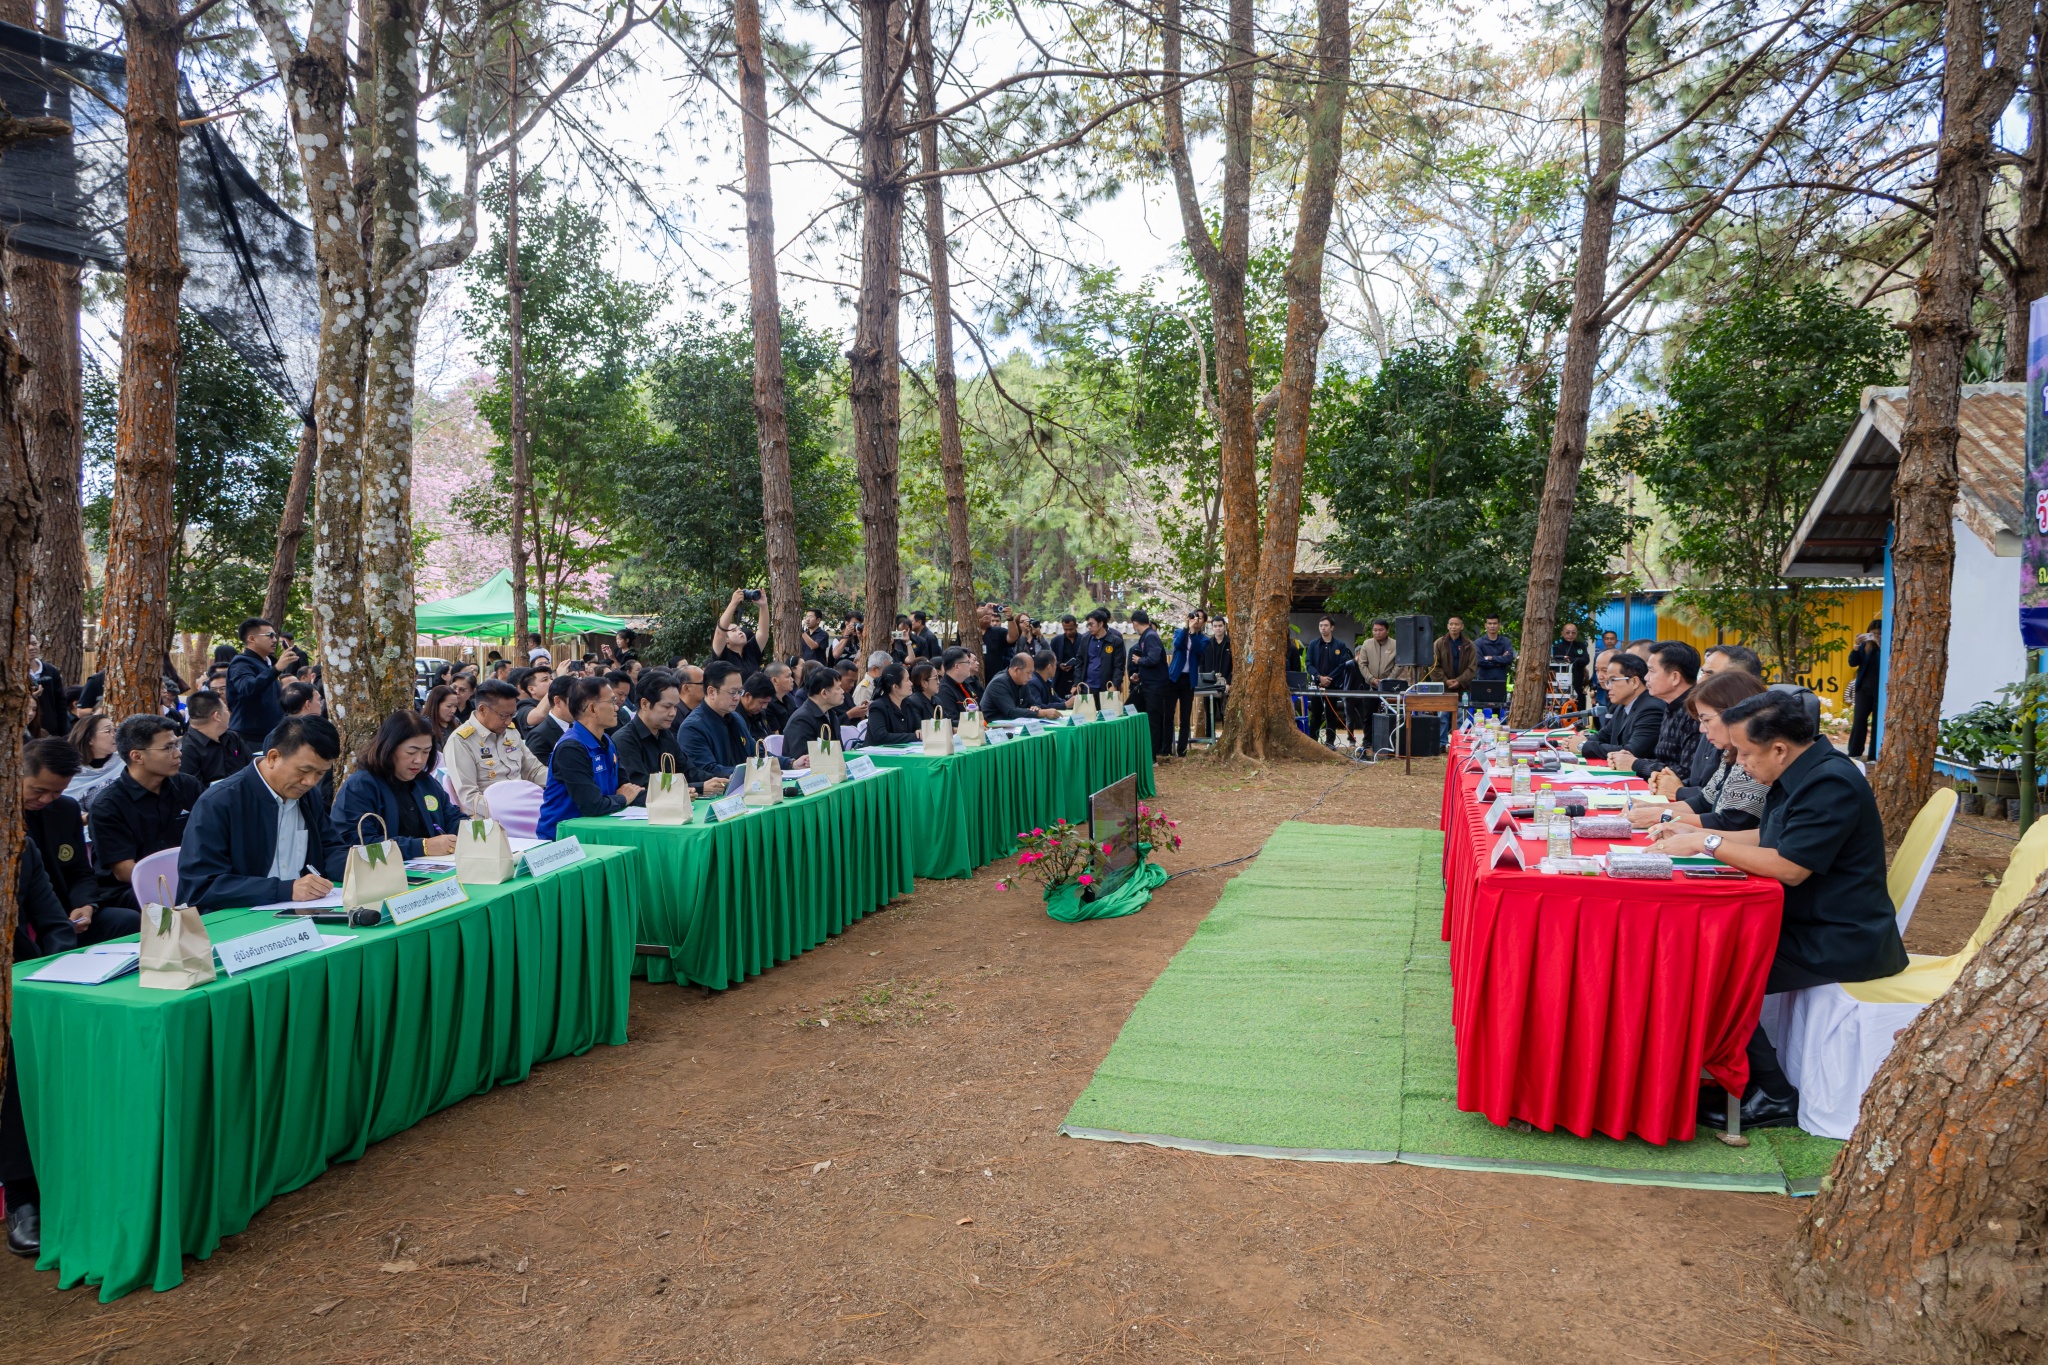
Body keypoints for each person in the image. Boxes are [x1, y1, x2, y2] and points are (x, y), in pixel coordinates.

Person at [1651, 691, 1905, 1130]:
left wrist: (1707, 843)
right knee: (1698, 952)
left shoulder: (1830, 782)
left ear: (1780, 748)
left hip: (1839, 937)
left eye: (1746, 754)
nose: (1742, 764)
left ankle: (1772, 1093)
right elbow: (1772, 838)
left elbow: (1789, 867)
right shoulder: (1801, 772)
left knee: (1712, 970)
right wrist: (1691, 831)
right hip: (1805, 921)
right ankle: (1730, 1077)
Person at [178, 716, 347, 909]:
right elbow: (202, 886)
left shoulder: (307, 796)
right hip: (238, 919)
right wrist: (286, 889)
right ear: (273, 757)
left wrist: (362, 867)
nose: (310, 782)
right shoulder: (218, 803)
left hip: (305, 912)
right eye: (303, 770)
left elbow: (330, 849)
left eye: (320, 773)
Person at [3, 834, 76, 1256]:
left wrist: (58, 972)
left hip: (22, 975)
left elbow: (54, 924)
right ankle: (21, 1195)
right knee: (13, 1058)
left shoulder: (20, 845)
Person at [1628, 669, 1770, 833]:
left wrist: (1663, 815)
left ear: (1734, 713)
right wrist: (1652, 807)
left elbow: (1731, 822)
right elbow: (1704, 801)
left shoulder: (1756, 760)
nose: (1702, 729)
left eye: (1707, 720)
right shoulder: (1730, 753)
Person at [23, 737, 133, 944]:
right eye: (38, 791)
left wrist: (85, 905)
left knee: (127, 921)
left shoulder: (65, 809)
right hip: (23, 919)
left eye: (57, 791)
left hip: (67, 912)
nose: (46, 799)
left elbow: (80, 871)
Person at [89, 715, 204, 912]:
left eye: (177, 745)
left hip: (190, 878)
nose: (178, 754)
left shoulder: (188, 787)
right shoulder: (108, 806)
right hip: (133, 890)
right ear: (137, 756)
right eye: (168, 748)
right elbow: (124, 871)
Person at [332, 711, 463, 859]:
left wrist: (470, 830)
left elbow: (452, 817)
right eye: (411, 752)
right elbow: (359, 843)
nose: (419, 760)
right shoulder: (360, 786)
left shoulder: (425, 782)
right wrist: (423, 847)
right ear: (389, 748)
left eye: (426, 752)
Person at [537, 677, 643, 839]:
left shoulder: (606, 741)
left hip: (600, 828)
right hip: (564, 839)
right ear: (592, 709)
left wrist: (667, 797)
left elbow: (627, 788)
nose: (617, 707)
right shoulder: (571, 748)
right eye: (612, 701)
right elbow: (592, 805)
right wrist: (622, 798)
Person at [443, 678, 549, 813]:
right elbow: (469, 797)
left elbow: (534, 770)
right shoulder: (461, 742)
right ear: (482, 710)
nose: (508, 721)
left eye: (512, 715)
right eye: (504, 715)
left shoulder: (510, 732)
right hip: (490, 817)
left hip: (524, 806)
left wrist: (560, 783)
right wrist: (509, 811)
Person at [615, 670, 726, 795]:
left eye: (675, 707)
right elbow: (641, 785)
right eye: (667, 707)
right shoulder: (624, 740)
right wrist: (698, 788)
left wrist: (717, 780)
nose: (673, 713)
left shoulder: (664, 734)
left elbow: (687, 771)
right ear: (645, 704)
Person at [1607, 641, 1701, 780]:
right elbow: (1664, 761)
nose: (1646, 678)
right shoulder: (1670, 706)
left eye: (1651, 671)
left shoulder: (1694, 712)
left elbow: (1688, 773)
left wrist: (1636, 764)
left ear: (1674, 677)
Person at [676, 660, 762, 785]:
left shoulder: (736, 718)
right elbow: (707, 769)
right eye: (732, 692)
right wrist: (751, 772)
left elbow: (756, 752)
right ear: (711, 692)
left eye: (740, 692)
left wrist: (789, 763)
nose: (737, 698)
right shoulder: (692, 728)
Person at [1575, 652, 1666, 761]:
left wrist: (1582, 746)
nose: (1608, 687)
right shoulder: (1621, 706)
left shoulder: (1651, 709)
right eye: (1607, 681)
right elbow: (1604, 736)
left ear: (1634, 682)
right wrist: (1581, 740)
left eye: (1613, 680)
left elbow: (1630, 752)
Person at [226, 617, 300, 747]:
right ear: (252, 639)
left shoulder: (267, 663)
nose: (275, 640)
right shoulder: (241, 663)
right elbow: (247, 688)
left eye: (275, 636)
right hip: (249, 739)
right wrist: (276, 669)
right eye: (270, 635)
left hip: (272, 735)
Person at [178, 691, 251, 790]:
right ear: (217, 716)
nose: (229, 714)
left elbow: (251, 769)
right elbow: (193, 791)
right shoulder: (187, 750)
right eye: (226, 710)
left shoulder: (232, 738)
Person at [1302, 615, 1353, 748]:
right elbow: (1308, 663)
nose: (1323, 628)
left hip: (1333, 685)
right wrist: (1319, 677)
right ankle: (1313, 741)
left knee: (1331, 714)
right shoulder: (1313, 644)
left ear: (1332, 627)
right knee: (1316, 714)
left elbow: (1342, 665)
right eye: (1321, 626)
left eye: (1325, 625)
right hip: (1317, 684)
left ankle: (1330, 742)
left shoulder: (1340, 645)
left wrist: (1329, 678)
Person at [1165, 612, 1208, 757]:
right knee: (1168, 714)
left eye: (1199, 618)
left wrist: (1193, 633)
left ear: (1204, 622)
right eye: (1194, 617)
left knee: (1185, 717)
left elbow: (1198, 649)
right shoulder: (1179, 632)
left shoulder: (1203, 639)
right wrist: (1186, 629)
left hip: (1189, 680)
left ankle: (1182, 750)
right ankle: (1166, 749)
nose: (1196, 620)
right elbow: (1177, 645)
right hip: (1174, 678)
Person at [781, 664, 845, 759]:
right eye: (838, 688)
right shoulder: (801, 720)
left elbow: (839, 753)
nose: (842, 691)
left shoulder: (831, 714)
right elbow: (803, 760)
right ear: (824, 693)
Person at [981, 652, 1063, 722]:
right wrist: (1042, 713)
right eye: (1028, 673)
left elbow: (1033, 703)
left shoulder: (1022, 681)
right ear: (1017, 670)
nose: (1031, 677)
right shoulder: (999, 683)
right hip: (993, 725)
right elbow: (1011, 711)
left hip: (1013, 724)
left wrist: (1035, 708)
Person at [62, 712, 120, 804]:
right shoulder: (70, 771)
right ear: (89, 738)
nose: (115, 735)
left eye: (115, 730)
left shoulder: (124, 763)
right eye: (108, 731)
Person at [1847, 619, 1881, 761]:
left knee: (1878, 723)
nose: (1874, 636)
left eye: (1878, 634)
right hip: (1863, 690)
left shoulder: (1888, 647)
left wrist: (1881, 645)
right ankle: (1854, 753)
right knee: (1859, 720)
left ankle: (1874, 755)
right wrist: (1856, 646)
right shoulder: (1865, 647)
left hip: (1881, 691)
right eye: (1872, 634)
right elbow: (1852, 662)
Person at [524, 674, 577, 766]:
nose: (582, 706)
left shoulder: (582, 726)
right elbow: (539, 773)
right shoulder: (539, 735)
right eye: (576, 700)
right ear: (558, 701)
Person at [711, 588, 765, 673]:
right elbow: (720, 632)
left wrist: (763, 606)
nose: (740, 632)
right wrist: (733, 603)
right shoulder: (722, 655)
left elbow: (763, 632)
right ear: (726, 639)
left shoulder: (750, 651)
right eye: (733, 630)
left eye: (739, 629)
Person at [866, 663, 921, 743]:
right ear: (895, 686)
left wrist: (919, 731)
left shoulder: (908, 703)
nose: (911, 683)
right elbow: (881, 736)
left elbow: (917, 726)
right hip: (878, 753)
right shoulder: (877, 707)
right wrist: (915, 736)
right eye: (907, 680)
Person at [1472, 614, 1516, 714]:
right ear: (1485, 625)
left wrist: (1490, 657)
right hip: (1483, 680)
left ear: (1499, 625)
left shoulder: (1505, 641)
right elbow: (1479, 661)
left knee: (1497, 713)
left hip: (1499, 681)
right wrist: (1500, 660)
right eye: (1490, 623)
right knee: (1479, 712)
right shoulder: (1478, 642)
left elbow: (1509, 660)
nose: (1492, 626)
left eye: (1495, 623)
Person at [1081, 609, 1125, 697]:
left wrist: (1114, 684)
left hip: (1107, 688)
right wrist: (1077, 683)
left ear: (1100, 624)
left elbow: (1119, 666)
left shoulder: (1115, 641)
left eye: (1091, 624)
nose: (1089, 627)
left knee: (1107, 711)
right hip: (1087, 687)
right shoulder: (1085, 639)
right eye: (1088, 625)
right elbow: (1080, 662)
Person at [1428, 616, 1477, 693]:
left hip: (1463, 688)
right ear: (1448, 626)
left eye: (1456, 624)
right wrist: (1445, 681)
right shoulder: (1439, 643)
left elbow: (1472, 667)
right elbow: (1433, 665)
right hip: (1443, 687)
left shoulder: (1469, 645)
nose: (1453, 627)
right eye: (1451, 624)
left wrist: (1459, 681)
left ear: (1462, 626)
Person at [1551, 622, 1591, 712]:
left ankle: (1580, 724)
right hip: (1563, 683)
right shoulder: (1558, 647)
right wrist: (1577, 660)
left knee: (1580, 707)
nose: (1570, 635)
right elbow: (1559, 661)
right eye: (1567, 632)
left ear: (1577, 633)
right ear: (1562, 633)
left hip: (1578, 681)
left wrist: (1572, 660)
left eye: (1573, 633)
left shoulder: (1581, 645)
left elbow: (1586, 660)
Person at [935, 647, 978, 721]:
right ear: (957, 666)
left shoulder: (967, 683)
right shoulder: (944, 690)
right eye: (968, 663)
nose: (970, 666)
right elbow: (952, 721)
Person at [980, 604, 1018, 682]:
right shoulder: (969, 632)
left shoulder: (998, 631)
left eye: (989, 614)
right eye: (983, 611)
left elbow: (1013, 637)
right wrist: (985, 610)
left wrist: (1010, 618)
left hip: (995, 680)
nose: (987, 614)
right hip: (973, 680)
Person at [512, 664, 553, 734]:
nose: (551, 682)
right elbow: (539, 715)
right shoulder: (524, 706)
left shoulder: (557, 701)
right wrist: (555, 686)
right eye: (545, 680)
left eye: (551, 678)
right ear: (531, 689)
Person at [1050, 615, 1083, 697]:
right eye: (1065, 629)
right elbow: (1051, 660)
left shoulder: (1084, 640)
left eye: (1071, 629)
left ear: (1076, 626)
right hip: (1061, 680)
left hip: (1079, 680)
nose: (1068, 632)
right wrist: (1059, 665)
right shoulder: (1056, 641)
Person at [903, 661, 940, 727]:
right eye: (936, 678)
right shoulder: (913, 702)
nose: (938, 682)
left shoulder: (937, 700)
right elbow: (920, 728)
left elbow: (947, 721)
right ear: (924, 683)